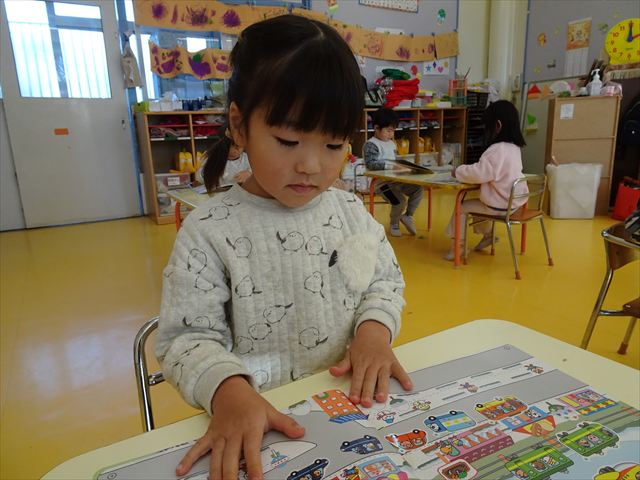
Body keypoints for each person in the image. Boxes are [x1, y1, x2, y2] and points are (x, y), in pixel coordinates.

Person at [156, 15, 413, 480]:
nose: (311, 164)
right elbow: (186, 340)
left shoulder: (349, 212)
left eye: (333, 145)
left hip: (346, 411)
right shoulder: (208, 231)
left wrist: (374, 333)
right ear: (239, 126)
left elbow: (383, 281)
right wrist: (229, 392)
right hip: (257, 427)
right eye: (288, 140)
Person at [443, 100, 528, 260]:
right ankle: (488, 235)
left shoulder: (497, 149)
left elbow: (479, 173)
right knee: (480, 202)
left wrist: (458, 171)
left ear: (497, 125)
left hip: (499, 205)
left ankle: (458, 247)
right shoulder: (514, 148)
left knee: (462, 206)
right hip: (513, 203)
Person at [364, 108, 423, 237]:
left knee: (418, 189)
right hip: (382, 184)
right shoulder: (371, 144)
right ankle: (394, 223)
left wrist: (406, 168)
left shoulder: (391, 143)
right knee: (400, 201)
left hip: (397, 180)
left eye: (393, 130)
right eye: (388, 130)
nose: (391, 134)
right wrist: (391, 166)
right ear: (376, 128)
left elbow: (395, 161)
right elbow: (370, 164)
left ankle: (408, 216)